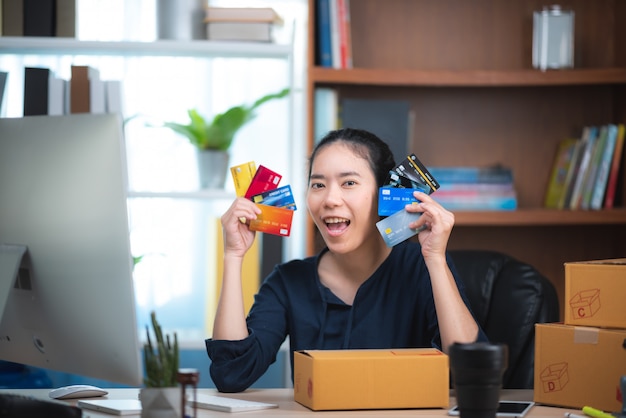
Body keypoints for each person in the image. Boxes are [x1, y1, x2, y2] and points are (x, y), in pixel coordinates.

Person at [205, 128, 488, 392]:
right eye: (318, 185)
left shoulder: (422, 267)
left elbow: (472, 371)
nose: (330, 199)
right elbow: (232, 375)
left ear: (384, 194)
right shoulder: (287, 281)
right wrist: (233, 255)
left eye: (349, 183)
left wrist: (435, 258)